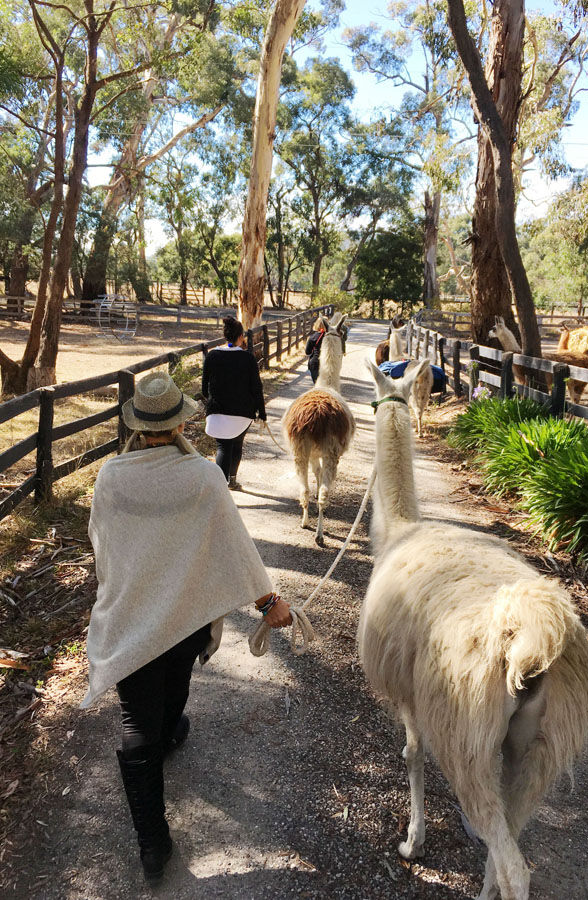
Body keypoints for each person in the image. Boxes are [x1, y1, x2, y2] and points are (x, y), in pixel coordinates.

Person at [80, 371, 291, 882]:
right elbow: (235, 545)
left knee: (139, 725)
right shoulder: (203, 477)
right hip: (184, 620)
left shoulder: (111, 477)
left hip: (131, 620)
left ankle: (153, 846)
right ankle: (167, 732)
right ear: (180, 423)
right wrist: (268, 603)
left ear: (138, 425)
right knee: (174, 686)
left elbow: (102, 547)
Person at [202, 316, 266, 490]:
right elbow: (256, 388)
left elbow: (204, 388)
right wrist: (262, 412)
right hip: (242, 415)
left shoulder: (212, 356)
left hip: (217, 413)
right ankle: (230, 482)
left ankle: (222, 487)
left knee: (223, 446)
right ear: (240, 337)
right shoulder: (248, 359)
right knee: (236, 444)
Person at [305, 316, 327, 383]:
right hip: (327, 363)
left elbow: (307, 352)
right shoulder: (330, 337)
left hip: (315, 362)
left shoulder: (313, 337)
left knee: (317, 385)